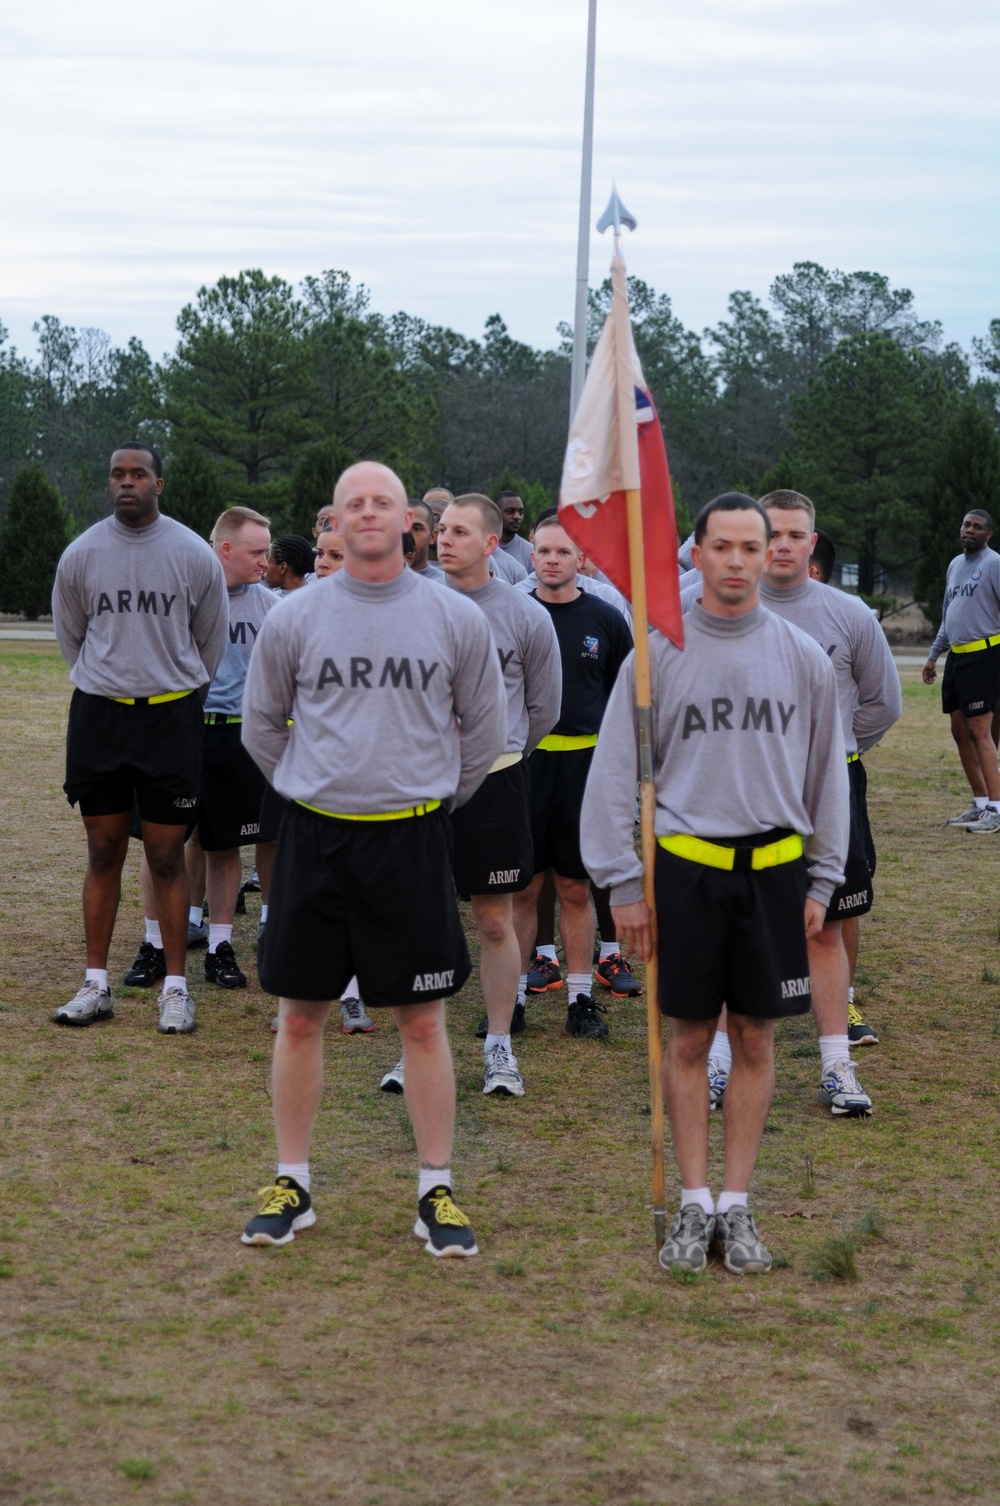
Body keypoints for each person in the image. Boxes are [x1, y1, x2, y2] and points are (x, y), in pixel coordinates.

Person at [239, 460, 505, 1254]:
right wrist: (315, 785)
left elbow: (483, 733)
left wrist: (424, 798)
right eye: (351, 504)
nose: (366, 514)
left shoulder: (454, 618)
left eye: (381, 502)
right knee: (299, 1015)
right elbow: (262, 726)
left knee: (422, 1023)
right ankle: (292, 1181)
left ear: (406, 523)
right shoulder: (296, 615)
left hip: (412, 837)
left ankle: (436, 1189)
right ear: (333, 521)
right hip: (317, 837)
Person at [583, 492, 848, 1275]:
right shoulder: (653, 652)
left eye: (750, 547)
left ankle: (737, 1205)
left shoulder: (801, 655)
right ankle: (693, 1205)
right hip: (686, 872)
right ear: (694, 556)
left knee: (758, 1037)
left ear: (772, 556)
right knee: (691, 1036)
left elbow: (825, 771)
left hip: (773, 875)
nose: (736, 561)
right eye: (721, 547)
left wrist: (823, 877)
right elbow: (613, 776)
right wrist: (623, 884)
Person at [51, 443, 228, 1031]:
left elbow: (210, 640)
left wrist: (174, 690)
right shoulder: (82, 553)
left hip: (170, 719)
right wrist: (110, 682)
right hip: (101, 717)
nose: (126, 483)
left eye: (138, 475)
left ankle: (175, 988)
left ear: (159, 483)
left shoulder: (191, 552)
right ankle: (95, 983)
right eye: (117, 475)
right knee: (103, 851)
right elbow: (71, 637)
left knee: (165, 855)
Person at [433, 492, 561, 1095]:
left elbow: (544, 706)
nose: (444, 538)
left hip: (498, 779)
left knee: (492, 919)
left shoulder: (525, 614)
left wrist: (500, 752)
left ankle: (500, 1046)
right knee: (424, 916)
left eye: (460, 530)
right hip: (420, 784)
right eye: (440, 528)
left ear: (491, 543)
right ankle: (419, 1047)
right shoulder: (412, 604)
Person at [511, 515, 633, 1039]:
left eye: (564, 551)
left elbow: (625, 697)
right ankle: (510, 996)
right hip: (525, 763)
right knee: (522, 888)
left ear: (581, 559)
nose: (553, 559)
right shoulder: (514, 614)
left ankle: (581, 1000)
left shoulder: (606, 618)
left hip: (586, 766)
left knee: (575, 887)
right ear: (531, 557)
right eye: (544, 551)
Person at [923, 510, 1000, 833]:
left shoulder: (994, 564)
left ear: (988, 535)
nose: (970, 530)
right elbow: (948, 614)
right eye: (967, 524)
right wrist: (933, 655)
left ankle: (997, 809)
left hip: (986, 655)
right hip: (957, 658)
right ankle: (980, 802)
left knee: (979, 731)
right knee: (959, 731)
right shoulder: (955, 565)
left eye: (977, 526)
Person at [495, 490, 535, 571]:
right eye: (510, 511)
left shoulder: (530, 552)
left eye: (520, 512)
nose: (517, 517)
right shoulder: (481, 549)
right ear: (495, 513)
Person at [408, 500, 446, 582]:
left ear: (432, 536)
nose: (408, 535)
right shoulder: (376, 580)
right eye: (402, 526)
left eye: (417, 529)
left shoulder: (445, 586)